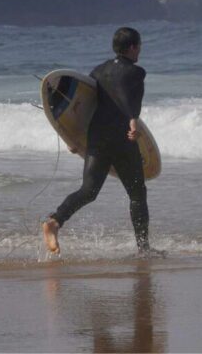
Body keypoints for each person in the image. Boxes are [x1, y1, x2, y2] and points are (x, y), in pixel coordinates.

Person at [43, 27, 151, 255]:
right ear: (132, 47)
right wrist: (132, 119)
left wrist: (72, 138)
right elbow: (129, 98)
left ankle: (54, 221)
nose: (140, 50)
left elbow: (83, 106)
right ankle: (144, 249)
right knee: (137, 194)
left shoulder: (98, 71)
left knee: (89, 190)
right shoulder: (136, 73)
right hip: (121, 139)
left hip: (96, 138)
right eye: (139, 46)